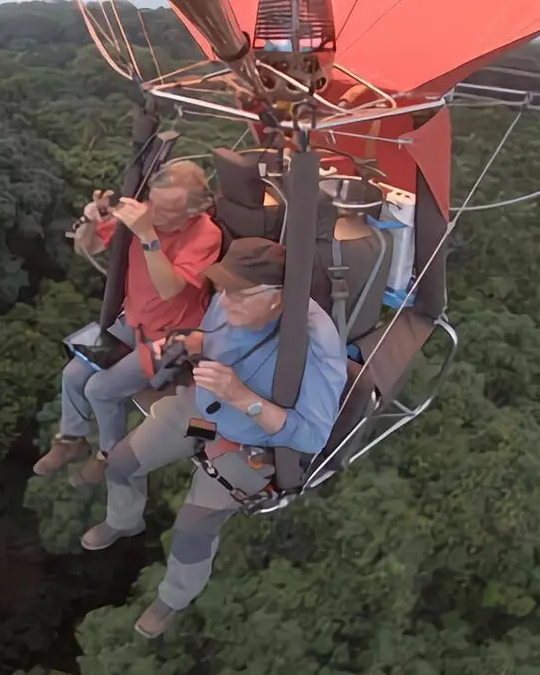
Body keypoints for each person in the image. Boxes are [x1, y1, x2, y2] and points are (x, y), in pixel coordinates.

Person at [80, 237, 348, 638]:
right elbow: (216, 337)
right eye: (224, 287)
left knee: (193, 526)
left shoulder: (315, 345)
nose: (227, 299)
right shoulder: (229, 302)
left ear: (278, 298)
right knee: (120, 463)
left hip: (248, 444)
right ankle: (124, 519)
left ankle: (173, 598)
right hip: (202, 415)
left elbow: (311, 436)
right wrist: (193, 342)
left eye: (240, 293)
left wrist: (242, 397)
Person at [34, 161, 224, 486]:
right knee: (73, 375)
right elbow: (89, 247)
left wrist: (148, 235)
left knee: (101, 389)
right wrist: (92, 222)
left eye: (167, 211)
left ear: (194, 210)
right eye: (154, 203)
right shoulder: (144, 213)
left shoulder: (205, 234)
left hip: (170, 336)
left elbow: (169, 289)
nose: (155, 214)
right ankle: (71, 438)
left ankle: (108, 454)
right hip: (132, 318)